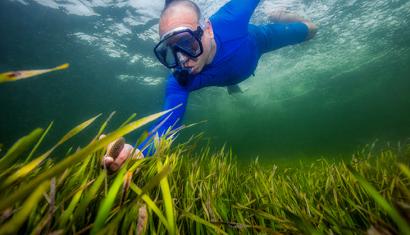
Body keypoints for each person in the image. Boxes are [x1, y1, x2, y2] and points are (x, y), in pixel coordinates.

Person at [102, 0, 317, 172]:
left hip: (261, 41)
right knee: (229, 81)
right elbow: (168, 122)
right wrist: (139, 154)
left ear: (208, 30)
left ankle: (278, 15)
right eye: (170, 51)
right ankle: (231, 85)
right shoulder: (180, 78)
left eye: (187, 43)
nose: (182, 60)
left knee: (312, 30)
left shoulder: (232, 17)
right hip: (232, 75)